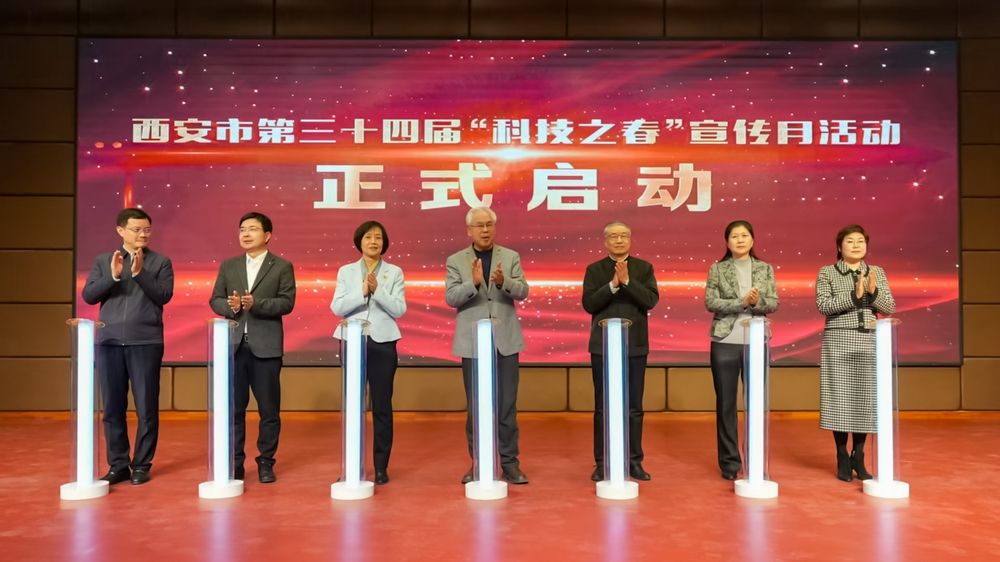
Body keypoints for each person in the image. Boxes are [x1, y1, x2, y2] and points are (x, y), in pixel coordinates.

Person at [82, 207, 174, 485]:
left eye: (147, 229)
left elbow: (163, 295)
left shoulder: (160, 262)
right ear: (120, 230)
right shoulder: (104, 261)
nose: (143, 234)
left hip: (146, 342)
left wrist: (139, 273)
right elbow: (89, 295)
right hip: (109, 342)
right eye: (136, 229)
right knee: (112, 407)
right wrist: (112, 276)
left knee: (146, 407)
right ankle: (118, 465)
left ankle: (142, 464)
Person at [445, 206, 530, 485]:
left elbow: (523, 291)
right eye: (479, 225)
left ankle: (510, 463)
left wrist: (505, 282)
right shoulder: (456, 260)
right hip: (473, 343)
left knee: (507, 406)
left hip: (505, 341)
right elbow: (451, 298)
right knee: (477, 407)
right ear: (469, 230)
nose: (485, 230)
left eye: (489, 225)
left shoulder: (510, 256)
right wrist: (472, 283)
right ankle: (479, 463)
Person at [210, 212, 296, 483]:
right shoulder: (229, 266)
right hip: (234, 348)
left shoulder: (281, 266)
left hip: (266, 349)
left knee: (269, 411)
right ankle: (235, 463)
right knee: (234, 409)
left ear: (267, 235)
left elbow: (287, 303)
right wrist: (232, 306)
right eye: (242, 229)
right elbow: (215, 299)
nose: (246, 234)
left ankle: (266, 462)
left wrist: (256, 304)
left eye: (252, 229)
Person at [816, 224, 895, 482]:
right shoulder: (827, 272)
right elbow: (823, 305)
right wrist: (854, 295)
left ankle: (858, 455)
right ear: (840, 247)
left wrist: (872, 292)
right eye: (850, 241)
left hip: (869, 339)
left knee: (864, 398)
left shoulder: (876, 272)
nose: (856, 245)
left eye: (860, 241)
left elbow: (889, 307)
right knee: (839, 399)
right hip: (838, 339)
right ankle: (841, 454)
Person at [582, 221, 659, 482]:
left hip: (634, 346)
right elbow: (589, 304)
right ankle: (602, 462)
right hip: (603, 347)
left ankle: (634, 461)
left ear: (630, 239)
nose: (619, 240)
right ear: (605, 241)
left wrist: (627, 281)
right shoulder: (594, 269)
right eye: (613, 236)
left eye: (623, 236)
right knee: (603, 407)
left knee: (634, 407)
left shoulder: (644, 268)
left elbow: (650, 300)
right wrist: (612, 285)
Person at [331, 221, 406, 485]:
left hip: (383, 342)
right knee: (353, 405)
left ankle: (381, 467)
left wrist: (378, 290)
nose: (373, 242)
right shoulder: (346, 271)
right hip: (352, 340)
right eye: (368, 237)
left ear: (384, 243)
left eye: (378, 238)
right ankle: (353, 465)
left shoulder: (394, 272)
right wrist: (362, 291)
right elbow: (337, 307)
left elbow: (399, 309)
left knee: (382, 406)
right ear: (359, 242)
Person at [704, 220, 779, 481]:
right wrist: (742, 302)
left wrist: (757, 302)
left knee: (755, 403)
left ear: (752, 240)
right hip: (725, 341)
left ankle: (755, 460)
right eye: (734, 236)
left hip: (756, 340)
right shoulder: (717, 268)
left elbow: (773, 303)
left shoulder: (765, 268)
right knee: (726, 404)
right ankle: (729, 462)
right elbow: (710, 302)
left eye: (744, 235)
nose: (739, 240)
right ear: (727, 242)